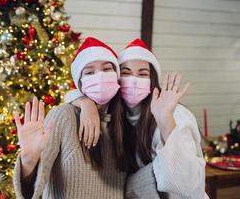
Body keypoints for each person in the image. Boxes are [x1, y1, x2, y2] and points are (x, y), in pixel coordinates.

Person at [12, 37, 160, 199]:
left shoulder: (124, 122)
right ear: (80, 82)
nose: (100, 77)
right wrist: (28, 160)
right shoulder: (64, 116)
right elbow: (32, 190)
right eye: (90, 72)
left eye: (107, 69)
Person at [65, 38, 209, 199]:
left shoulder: (175, 114)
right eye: (126, 73)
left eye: (142, 74)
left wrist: (165, 121)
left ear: (152, 80)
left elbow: (188, 186)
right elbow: (73, 93)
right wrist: (86, 104)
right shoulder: (117, 112)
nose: (133, 80)